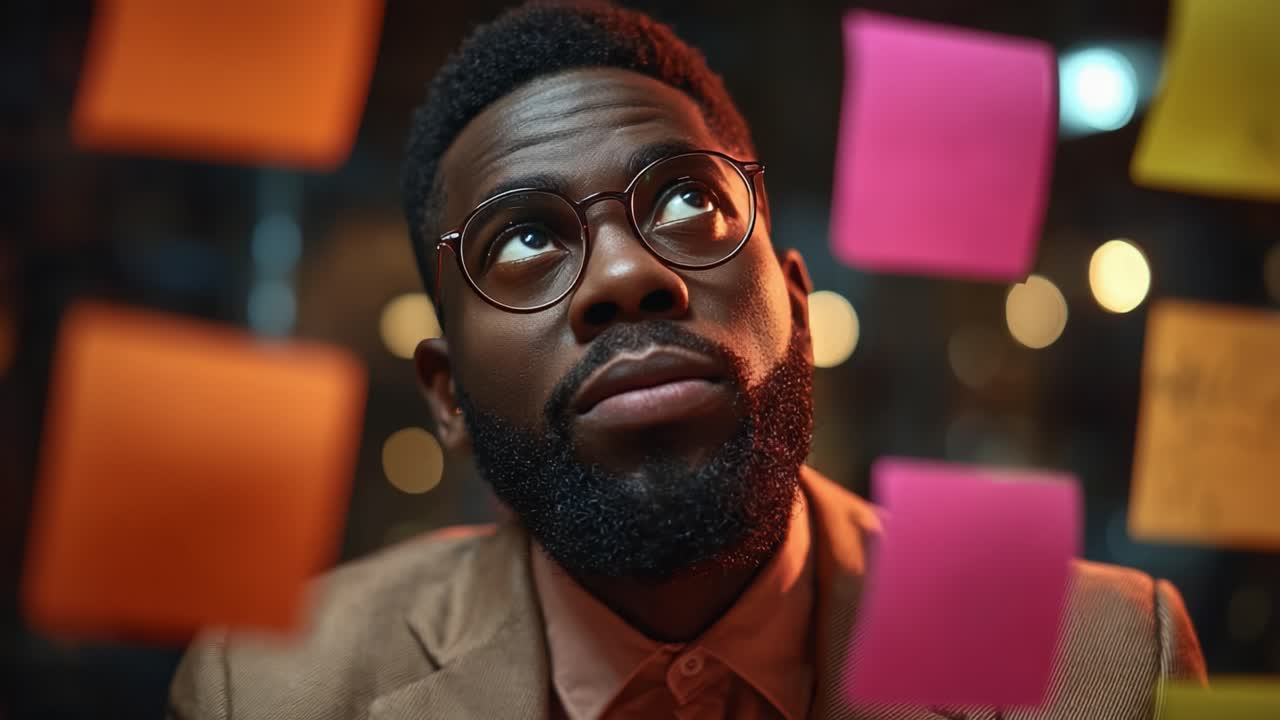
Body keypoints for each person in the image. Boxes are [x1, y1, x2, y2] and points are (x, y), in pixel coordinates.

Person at [168, 2, 1206, 718]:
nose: (628, 274)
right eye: (522, 240)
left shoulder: (1109, 662)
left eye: (685, 199)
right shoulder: (265, 692)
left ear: (795, 307)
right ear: (446, 394)